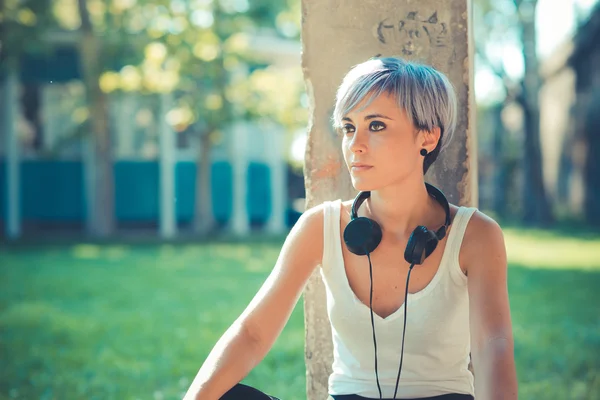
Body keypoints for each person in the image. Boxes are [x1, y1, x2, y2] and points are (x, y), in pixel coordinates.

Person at [183, 57, 518, 400]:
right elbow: (252, 333)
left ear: (428, 136)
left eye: (376, 126)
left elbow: (493, 348)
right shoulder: (320, 226)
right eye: (348, 127)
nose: (355, 144)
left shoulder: (476, 235)